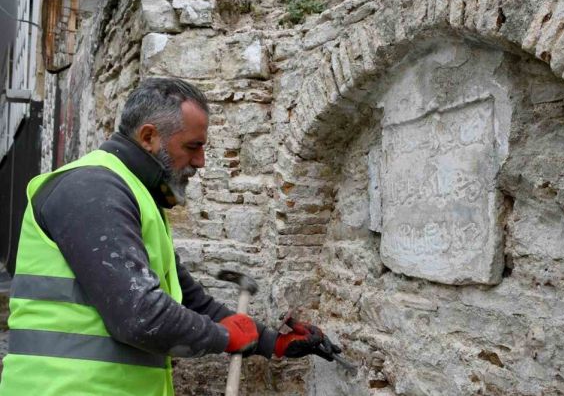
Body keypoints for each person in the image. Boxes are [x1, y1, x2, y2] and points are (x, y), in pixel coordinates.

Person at [0, 78, 340, 395]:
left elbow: (191, 299)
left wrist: (270, 342)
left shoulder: (136, 195)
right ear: (149, 137)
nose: (202, 162)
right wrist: (224, 337)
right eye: (193, 147)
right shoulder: (93, 190)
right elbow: (141, 316)